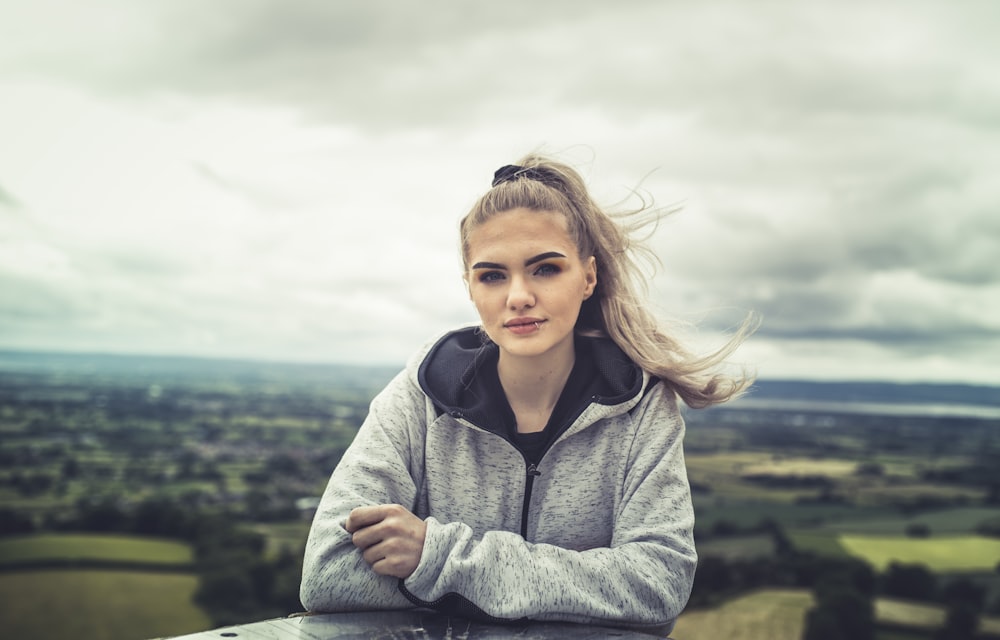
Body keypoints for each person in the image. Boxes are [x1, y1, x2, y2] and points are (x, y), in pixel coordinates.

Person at [299, 154, 754, 635]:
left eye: (545, 269)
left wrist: (434, 558)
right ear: (470, 288)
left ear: (589, 277)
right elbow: (329, 571)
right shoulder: (424, 392)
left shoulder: (640, 404)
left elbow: (657, 583)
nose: (517, 296)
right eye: (492, 275)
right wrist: (572, 590)